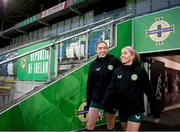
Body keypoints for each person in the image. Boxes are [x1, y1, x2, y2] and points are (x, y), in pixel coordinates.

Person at [100, 46, 160, 131]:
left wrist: (156, 112)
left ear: (132, 56)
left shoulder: (140, 70)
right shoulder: (117, 71)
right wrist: (104, 106)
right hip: (122, 109)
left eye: (125, 53)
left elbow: (149, 91)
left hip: (136, 109)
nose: (122, 55)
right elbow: (110, 90)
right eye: (121, 54)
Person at [86, 40, 121, 130]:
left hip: (111, 99)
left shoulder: (114, 61)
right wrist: (89, 102)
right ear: (96, 50)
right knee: (89, 126)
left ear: (107, 49)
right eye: (100, 48)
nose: (102, 50)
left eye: (104, 48)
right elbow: (90, 84)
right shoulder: (93, 65)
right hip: (97, 99)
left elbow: (121, 77)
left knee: (110, 126)